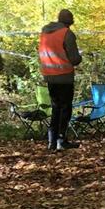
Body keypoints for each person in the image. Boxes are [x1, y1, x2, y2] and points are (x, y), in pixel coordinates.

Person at [38, 8, 82, 151]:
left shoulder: (45, 32)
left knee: (55, 108)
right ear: (70, 21)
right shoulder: (67, 34)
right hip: (64, 76)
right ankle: (61, 140)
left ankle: (51, 141)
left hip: (49, 75)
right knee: (65, 108)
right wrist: (80, 56)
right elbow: (74, 59)